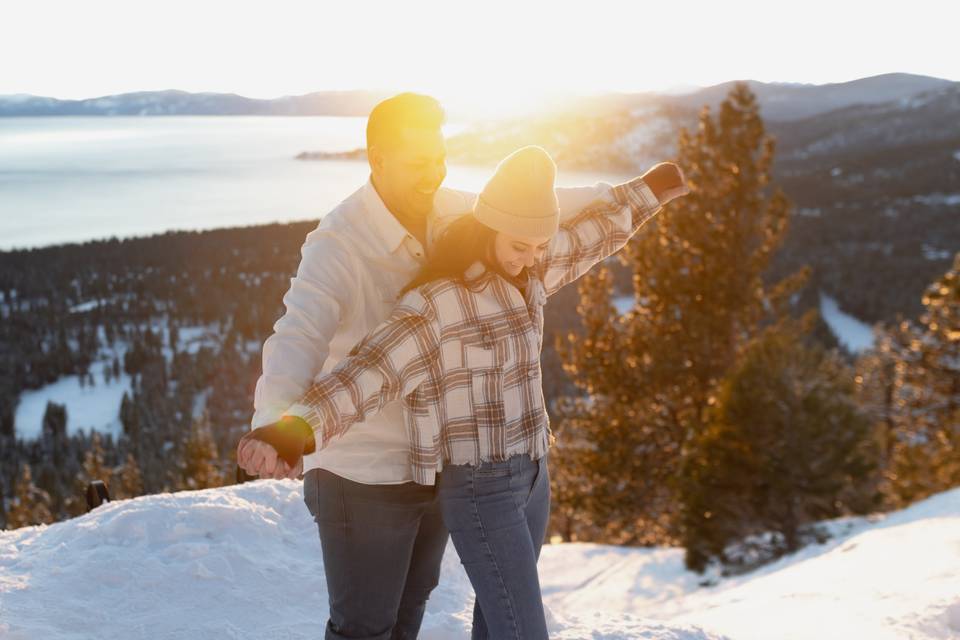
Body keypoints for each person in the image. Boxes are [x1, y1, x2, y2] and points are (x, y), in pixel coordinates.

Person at [240, 145, 689, 638]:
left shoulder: (531, 265)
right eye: (520, 245)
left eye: (539, 246)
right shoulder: (438, 304)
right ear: (490, 225)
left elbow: (590, 236)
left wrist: (650, 192)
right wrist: (288, 432)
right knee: (521, 630)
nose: (530, 259)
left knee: (496, 624)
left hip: (535, 473)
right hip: (482, 486)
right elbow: (366, 375)